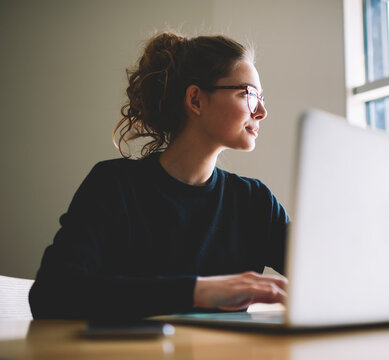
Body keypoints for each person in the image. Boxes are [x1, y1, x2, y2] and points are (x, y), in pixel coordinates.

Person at [29, 31, 289, 319]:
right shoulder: (113, 186)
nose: (262, 111)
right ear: (196, 100)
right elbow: (51, 293)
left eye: (261, 98)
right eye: (249, 94)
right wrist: (197, 291)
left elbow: (327, 273)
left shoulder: (256, 202)